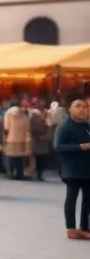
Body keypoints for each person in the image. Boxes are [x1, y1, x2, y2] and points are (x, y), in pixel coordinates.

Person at [53, 98, 90, 240]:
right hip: (72, 169)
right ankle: (71, 228)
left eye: (84, 107)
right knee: (71, 198)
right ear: (70, 109)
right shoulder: (65, 127)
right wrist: (81, 147)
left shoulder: (87, 126)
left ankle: (85, 227)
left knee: (88, 199)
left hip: (87, 169)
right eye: (78, 106)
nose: (82, 109)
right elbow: (58, 147)